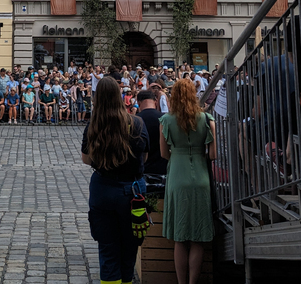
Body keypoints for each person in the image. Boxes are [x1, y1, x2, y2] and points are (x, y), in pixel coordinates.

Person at [82, 76, 149, 284]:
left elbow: (86, 159)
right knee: (130, 245)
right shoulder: (136, 123)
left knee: (108, 247)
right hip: (131, 191)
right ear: (119, 97)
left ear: (97, 98)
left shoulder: (93, 125)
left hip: (102, 188)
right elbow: (144, 157)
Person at [160, 79, 216, 284]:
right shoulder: (206, 118)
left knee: (180, 237)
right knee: (197, 236)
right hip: (200, 176)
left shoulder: (166, 120)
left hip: (177, 174)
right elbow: (213, 154)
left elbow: (164, 154)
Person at [137, 90, 167, 175]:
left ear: (139, 103)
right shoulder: (164, 119)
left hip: (142, 170)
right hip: (162, 169)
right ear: (156, 101)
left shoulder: (135, 120)